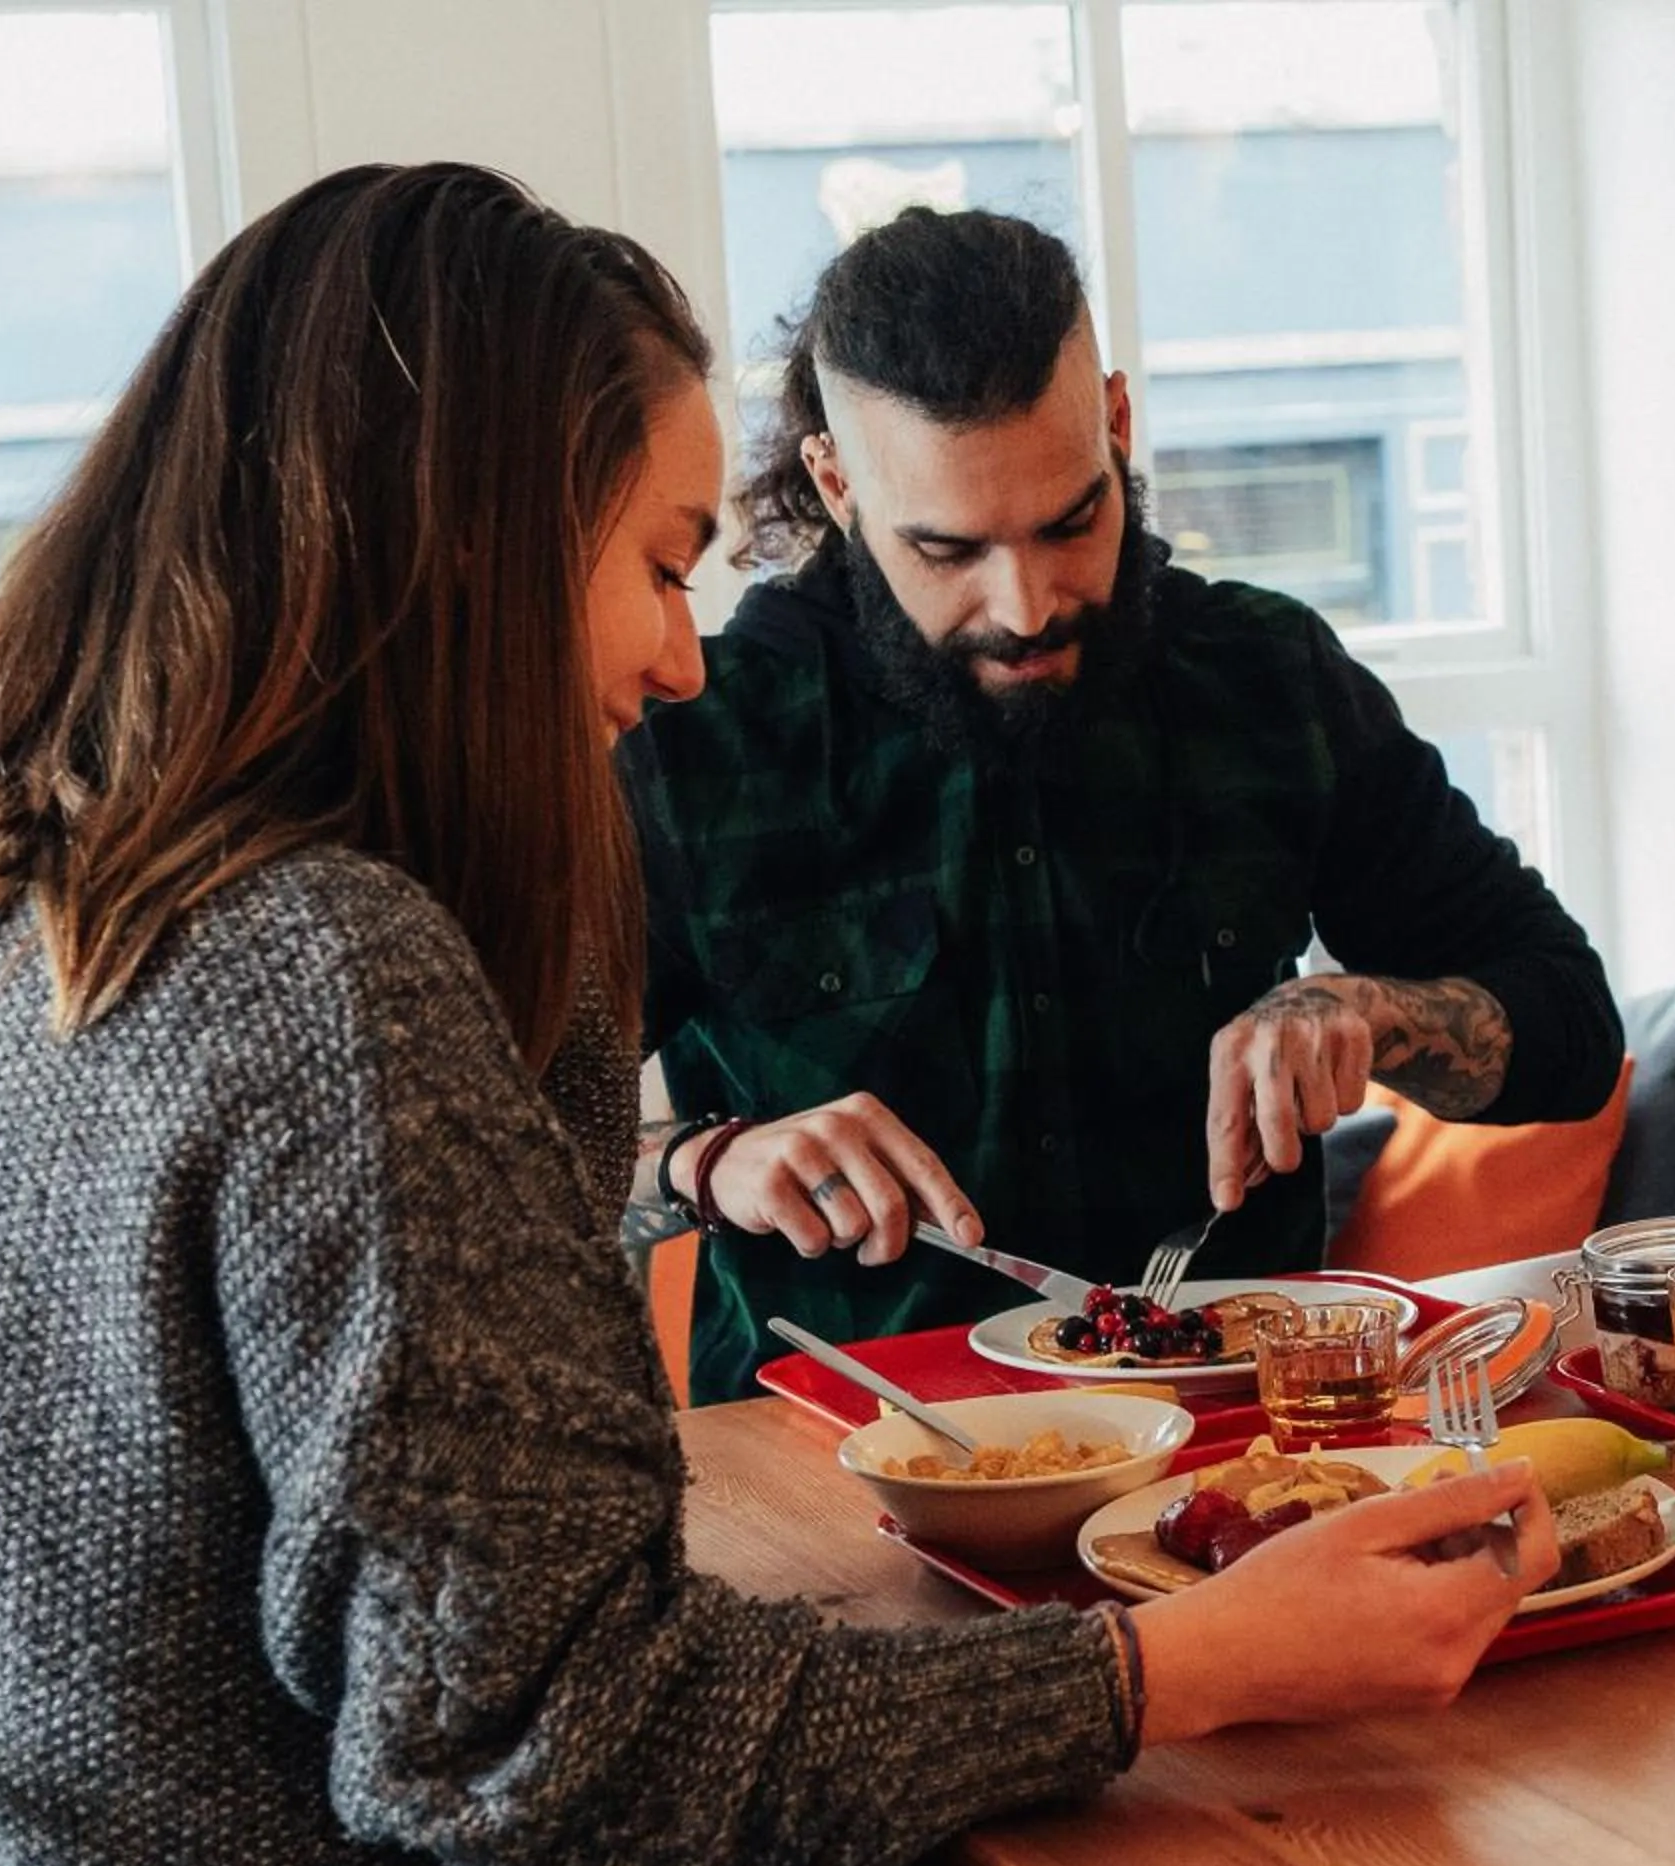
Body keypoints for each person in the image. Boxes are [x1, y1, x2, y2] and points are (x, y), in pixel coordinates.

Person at [0, 163, 1555, 1866]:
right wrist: (1192, 1668)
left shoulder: (14, 904)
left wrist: (1382, 1016)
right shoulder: (325, 969)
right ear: (472, 542)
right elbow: (562, 1755)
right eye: (661, 568)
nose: (680, 650)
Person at [617, 207, 1622, 1405]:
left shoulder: (1269, 679)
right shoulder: (693, 738)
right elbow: (495, 1157)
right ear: (837, 484)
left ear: (1119, 427)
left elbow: (1572, 1027)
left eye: (1070, 520)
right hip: (840, 1488)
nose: (1029, 604)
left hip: (1240, 1454)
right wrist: (708, 1160)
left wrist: (1369, 1012)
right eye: (949, 550)